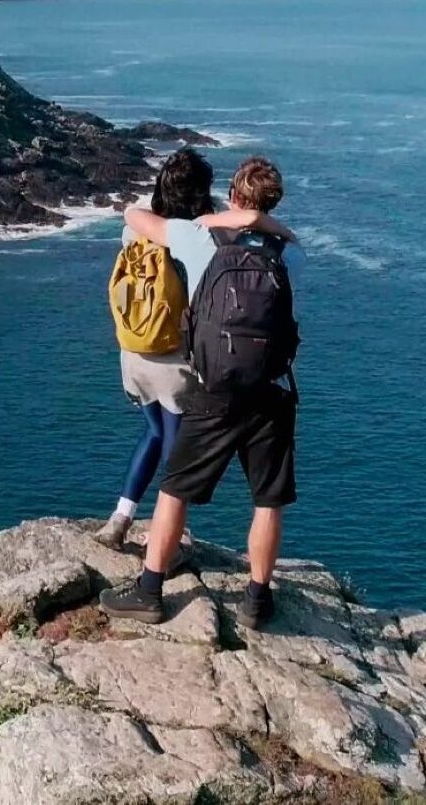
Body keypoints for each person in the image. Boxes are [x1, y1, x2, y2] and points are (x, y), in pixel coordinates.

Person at [100, 156, 304, 629]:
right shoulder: (289, 251)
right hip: (271, 389)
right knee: (267, 500)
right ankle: (256, 599)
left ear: (231, 195)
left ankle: (149, 590)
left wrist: (210, 217)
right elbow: (284, 240)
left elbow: (134, 217)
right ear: (273, 202)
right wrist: (256, 219)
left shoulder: (198, 237)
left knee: (175, 489)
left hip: (214, 385)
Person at [96, 148, 214, 550]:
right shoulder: (195, 240)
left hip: (134, 354)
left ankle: (120, 519)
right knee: (178, 455)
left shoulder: (134, 229)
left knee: (153, 432)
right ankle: (169, 542)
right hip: (174, 362)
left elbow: (135, 210)